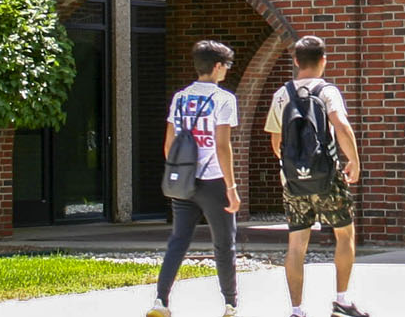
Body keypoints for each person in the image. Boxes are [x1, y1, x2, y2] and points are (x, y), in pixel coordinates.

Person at [265, 36, 369, 317]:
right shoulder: (327, 91)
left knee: (297, 243)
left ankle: (297, 310)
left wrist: (294, 167)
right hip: (328, 177)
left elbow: (276, 143)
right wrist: (354, 161)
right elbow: (342, 126)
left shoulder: (281, 94)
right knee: (344, 233)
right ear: (324, 60)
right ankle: (342, 301)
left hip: (294, 182)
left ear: (296, 61)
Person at [149, 40, 243, 317]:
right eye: (226, 65)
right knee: (224, 243)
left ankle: (161, 301)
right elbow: (222, 145)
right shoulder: (224, 99)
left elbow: (169, 143)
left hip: (184, 180)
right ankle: (230, 303)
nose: (226, 70)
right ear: (217, 67)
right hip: (213, 179)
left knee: (178, 240)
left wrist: (177, 172)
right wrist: (231, 186)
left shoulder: (179, 97)